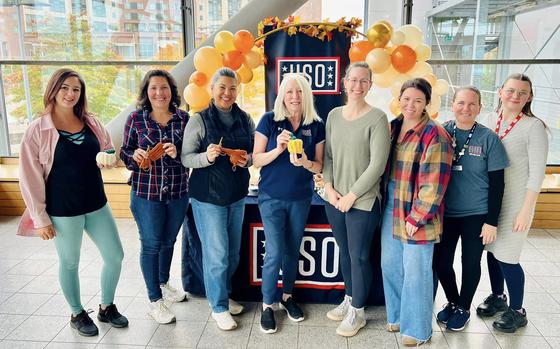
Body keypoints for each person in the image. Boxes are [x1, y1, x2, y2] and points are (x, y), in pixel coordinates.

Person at [17, 68, 128, 336]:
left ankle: (106, 307)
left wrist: (110, 156)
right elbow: (29, 178)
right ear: (54, 90)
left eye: (76, 89)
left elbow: (107, 149)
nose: (70, 94)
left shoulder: (91, 121)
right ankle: (77, 312)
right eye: (65, 88)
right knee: (70, 262)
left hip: (96, 203)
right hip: (63, 209)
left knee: (115, 256)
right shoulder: (37, 130)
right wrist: (41, 219)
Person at [181, 67, 255, 331]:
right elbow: (186, 157)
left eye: (232, 88)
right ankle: (219, 307)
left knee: (232, 254)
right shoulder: (198, 120)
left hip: (236, 196)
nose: (227, 92)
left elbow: (254, 155)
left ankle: (223, 294)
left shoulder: (246, 119)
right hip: (208, 199)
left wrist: (248, 160)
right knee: (217, 255)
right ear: (212, 90)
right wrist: (207, 158)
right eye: (222, 87)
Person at [380, 78, 453, 346]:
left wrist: (417, 217)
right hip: (391, 206)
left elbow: (435, 183)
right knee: (390, 265)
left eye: (418, 100)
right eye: (406, 98)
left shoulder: (435, 134)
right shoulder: (392, 126)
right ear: (400, 98)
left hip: (418, 213)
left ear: (427, 104)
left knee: (416, 272)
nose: (410, 104)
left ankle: (418, 329)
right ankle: (398, 315)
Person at [252, 73, 325, 334]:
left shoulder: (316, 125)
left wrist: (304, 161)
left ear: (307, 95)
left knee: (292, 250)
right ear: (282, 95)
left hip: (301, 197)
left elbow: (319, 166)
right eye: (290, 92)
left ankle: (287, 296)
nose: (294, 96)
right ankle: (268, 304)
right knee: (274, 252)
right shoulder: (269, 120)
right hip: (271, 197)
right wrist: (278, 150)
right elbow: (256, 160)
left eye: (300, 91)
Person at [476, 73, 549, 333]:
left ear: (529, 97)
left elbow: (537, 173)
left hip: (517, 202)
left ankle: (518, 310)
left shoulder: (533, 126)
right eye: (511, 90)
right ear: (500, 92)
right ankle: (498, 296)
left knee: (508, 257)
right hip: (491, 201)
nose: (515, 96)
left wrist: (525, 211)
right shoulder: (487, 120)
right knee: (492, 252)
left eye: (522, 92)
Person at [322, 62, 390, 337]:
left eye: (364, 81)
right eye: (353, 80)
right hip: (335, 198)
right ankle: (350, 299)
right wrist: (329, 187)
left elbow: (378, 164)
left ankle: (359, 313)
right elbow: (327, 157)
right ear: (344, 82)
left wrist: (351, 195)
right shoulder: (334, 116)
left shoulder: (377, 118)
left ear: (370, 85)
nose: (357, 85)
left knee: (359, 256)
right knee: (345, 252)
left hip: (362, 201)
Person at [433, 86, 509, 331]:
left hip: (476, 213)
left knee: (470, 262)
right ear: (452, 104)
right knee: (441, 262)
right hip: (445, 212)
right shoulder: (442, 131)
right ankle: (454, 301)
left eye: (472, 104)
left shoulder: (489, 139)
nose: (466, 108)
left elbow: (498, 185)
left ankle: (464, 307)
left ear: (479, 107)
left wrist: (492, 221)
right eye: (461, 103)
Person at [120, 69, 189, 324]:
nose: (159, 93)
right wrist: (135, 156)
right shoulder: (136, 119)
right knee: (151, 244)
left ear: (171, 91)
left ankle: (163, 283)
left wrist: (177, 151)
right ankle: (154, 300)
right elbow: (124, 154)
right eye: (153, 88)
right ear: (146, 92)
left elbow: (192, 155)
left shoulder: (184, 119)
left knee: (169, 240)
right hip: (146, 193)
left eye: (164, 88)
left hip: (178, 192)